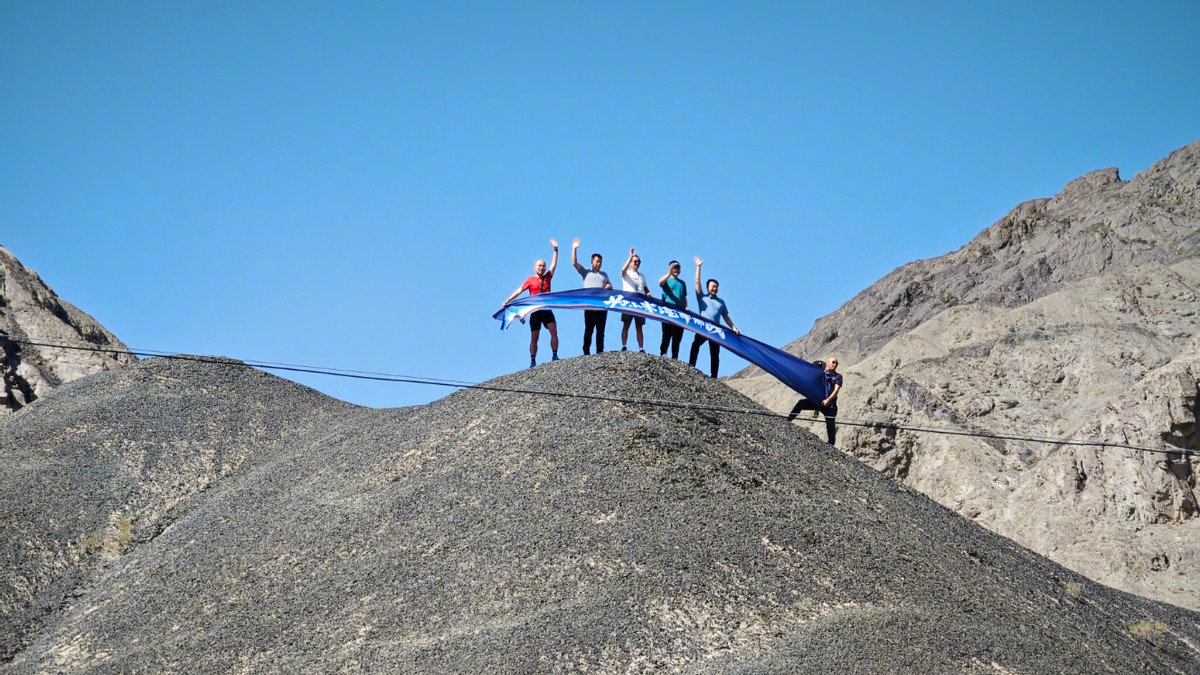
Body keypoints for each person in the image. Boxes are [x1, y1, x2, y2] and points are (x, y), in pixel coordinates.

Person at [503, 239, 560, 368]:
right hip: (534, 311)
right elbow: (519, 290)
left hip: (546, 309)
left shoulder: (548, 277)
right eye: (539, 265)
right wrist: (508, 300)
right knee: (535, 336)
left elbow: (553, 264)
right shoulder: (530, 280)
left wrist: (556, 250)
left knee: (553, 330)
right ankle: (533, 360)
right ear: (535, 267)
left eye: (543, 266)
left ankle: (555, 355)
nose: (542, 267)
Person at [687, 256, 738, 377]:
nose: (714, 288)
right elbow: (697, 282)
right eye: (712, 286)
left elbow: (726, 317)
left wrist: (733, 327)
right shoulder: (702, 298)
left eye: (716, 287)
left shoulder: (721, 302)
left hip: (715, 329)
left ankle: (714, 375)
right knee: (695, 345)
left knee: (715, 353)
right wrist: (698, 267)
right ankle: (690, 366)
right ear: (708, 287)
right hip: (703, 326)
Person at [787, 357, 843, 445]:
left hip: (830, 404)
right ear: (828, 364)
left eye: (836, 363)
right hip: (818, 402)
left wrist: (828, 400)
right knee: (801, 403)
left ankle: (831, 445)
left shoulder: (838, 377)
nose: (835, 364)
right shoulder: (822, 375)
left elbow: (836, 390)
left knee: (830, 425)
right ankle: (788, 421)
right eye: (833, 362)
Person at [571, 238, 613, 354]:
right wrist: (574, 249)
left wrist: (609, 285)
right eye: (596, 261)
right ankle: (586, 351)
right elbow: (574, 263)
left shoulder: (604, 275)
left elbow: (610, 285)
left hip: (602, 306)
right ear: (592, 261)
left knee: (601, 331)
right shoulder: (586, 272)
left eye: (600, 262)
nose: (598, 264)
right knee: (589, 329)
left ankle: (600, 351)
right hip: (590, 305)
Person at [619, 248, 650, 352]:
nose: (637, 263)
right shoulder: (626, 273)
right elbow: (623, 269)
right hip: (628, 302)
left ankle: (641, 348)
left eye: (638, 262)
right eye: (635, 261)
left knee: (639, 326)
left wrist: (648, 292)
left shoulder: (642, 275)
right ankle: (624, 345)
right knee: (626, 324)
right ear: (631, 263)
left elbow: (645, 287)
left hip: (640, 303)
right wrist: (630, 256)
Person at [658, 260, 688, 359]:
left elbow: (684, 297)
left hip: (680, 312)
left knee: (677, 336)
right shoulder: (667, 279)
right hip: (668, 310)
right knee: (666, 334)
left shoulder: (682, 283)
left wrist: (686, 307)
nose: (676, 270)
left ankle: (675, 356)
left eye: (678, 268)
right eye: (674, 268)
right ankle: (663, 353)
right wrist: (669, 273)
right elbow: (660, 282)